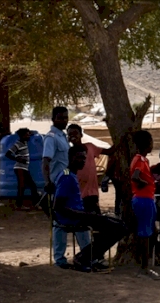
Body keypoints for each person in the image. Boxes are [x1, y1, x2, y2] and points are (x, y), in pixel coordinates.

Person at [54, 145, 128, 272]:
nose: (82, 161)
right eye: (79, 158)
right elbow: (59, 206)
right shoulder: (67, 176)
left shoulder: (72, 175)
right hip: (72, 218)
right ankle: (85, 257)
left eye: (84, 158)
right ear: (71, 158)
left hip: (80, 215)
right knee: (118, 228)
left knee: (118, 225)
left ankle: (89, 256)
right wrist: (84, 215)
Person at [43, 106, 91, 268]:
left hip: (69, 178)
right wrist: (47, 182)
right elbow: (45, 161)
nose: (64, 121)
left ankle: (86, 255)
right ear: (53, 119)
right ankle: (60, 260)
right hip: (58, 182)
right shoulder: (51, 137)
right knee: (59, 222)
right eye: (60, 118)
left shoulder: (63, 136)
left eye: (65, 118)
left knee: (76, 216)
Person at [129, 130, 160, 280]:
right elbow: (135, 177)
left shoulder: (140, 160)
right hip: (143, 198)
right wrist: (147, 183)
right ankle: (144, 268)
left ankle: (144, 265)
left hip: (145, 198)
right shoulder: (141, 160)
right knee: (145, 233)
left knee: (150, 231)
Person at [67, 124, 113, 214]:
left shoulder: (90, 147)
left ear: (81, 135)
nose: (73, 136)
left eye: (75, 133)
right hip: (79, 193)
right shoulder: (69, 152)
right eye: (70, 134)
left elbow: (108, 152)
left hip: (92, 192)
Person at [6, 128, 40, 210]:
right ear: (22, 136)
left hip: (24, 168)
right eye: (26, 135)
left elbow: (29, 134)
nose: (28, 136)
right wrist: (18, 159)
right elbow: (8, 154)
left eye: (29, 134)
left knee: (32, 186)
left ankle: (34, 204)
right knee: (22, 186)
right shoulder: (18, 144)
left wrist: (30, 132)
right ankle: (19, 205)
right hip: (19, 168)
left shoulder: (24, 142)